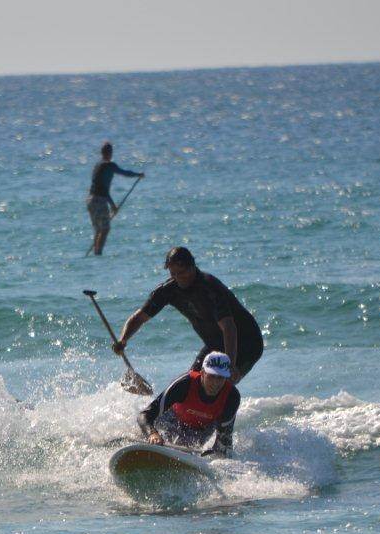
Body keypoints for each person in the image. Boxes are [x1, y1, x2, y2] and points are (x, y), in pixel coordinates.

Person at [113, 246, 263, 384]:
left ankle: (221, 409)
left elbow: (229, 327)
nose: (179, 278)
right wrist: (123, 339)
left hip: (246, 343)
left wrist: (229, 364)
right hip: (215, 344)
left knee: (217, 384)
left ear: (192, 266)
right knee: (189, 385)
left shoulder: (210, 287)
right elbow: (139, 317)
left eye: (182, 272)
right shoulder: (168, 290)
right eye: (174, 274)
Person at [138, 351, 240, 456]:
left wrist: (218, 457)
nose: (215, 383)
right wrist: (152, 433)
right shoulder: (184, 384)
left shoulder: (231, 397)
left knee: (219, 450)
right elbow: (144, 415)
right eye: (211, 376)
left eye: (220, 378)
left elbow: (224, 440)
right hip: (171, 419)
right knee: (150, 433)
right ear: (202, 372)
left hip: (201, 430)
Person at [87, 142, 144, 255]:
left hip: (90, 200)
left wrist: (112, 205)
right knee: (105, 229)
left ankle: (96, 254)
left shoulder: (97, 166)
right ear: (110, 153)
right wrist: (138, 175)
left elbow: (100, 188)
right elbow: (124, 173)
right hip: (99, 200)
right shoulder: (109, 165)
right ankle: (98, 253)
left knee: (98, 230)